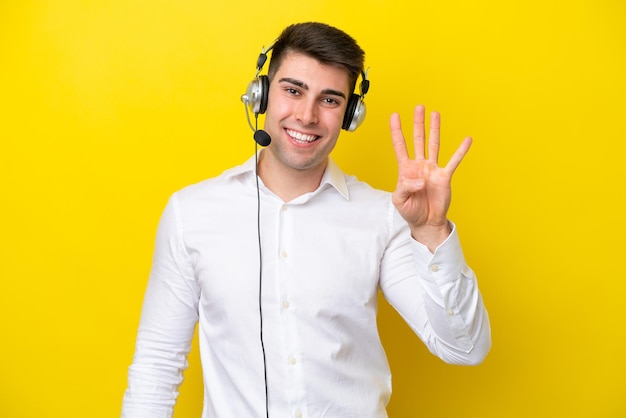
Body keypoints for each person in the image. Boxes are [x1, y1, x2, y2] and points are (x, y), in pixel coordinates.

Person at [122, 22, 491, 418]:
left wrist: (431, 231)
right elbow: (157, 366)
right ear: (260, 94)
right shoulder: (192, 212)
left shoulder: (385, 217)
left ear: (350, 115)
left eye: (330, 100)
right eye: (293, 90)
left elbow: (464, 349)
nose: (307, 115)